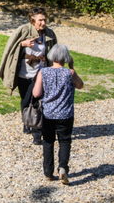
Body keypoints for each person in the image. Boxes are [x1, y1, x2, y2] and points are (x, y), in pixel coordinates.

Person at [0, 7, 58, 140]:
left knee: (36, 99)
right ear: (32, 20)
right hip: (24, 73)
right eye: (40, 20)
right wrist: (22, 44)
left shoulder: (49, 34)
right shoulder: (23, 30)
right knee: (25, 100)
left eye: (45, 19)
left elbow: (54, 53)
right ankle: (27, 121)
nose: (43, 22)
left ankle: (36, 131)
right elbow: (10, 48)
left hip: (40, 73)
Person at [32, 44, 84, 185]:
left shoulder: (43, 72)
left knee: (48, 141)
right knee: (65, 141)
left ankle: (48, 173)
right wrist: (72, 67)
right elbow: (80, 85)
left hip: (48, 114)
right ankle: (63, 169)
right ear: (66, 58)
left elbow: (36, 93)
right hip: (65, 114)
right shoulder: (69, 73)